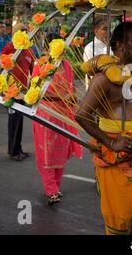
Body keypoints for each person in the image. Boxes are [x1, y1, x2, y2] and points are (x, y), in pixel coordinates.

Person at [76, 22, 132, 235]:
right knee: (120, 217)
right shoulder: (104, 78)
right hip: (119, 155)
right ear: (119, 45)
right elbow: (81, 115)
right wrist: (111, 143)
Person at [33, 33, 82, 205]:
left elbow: (72, 88)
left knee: (60, 150)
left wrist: (72, 98)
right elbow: (34, 88)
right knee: (46, 152)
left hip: (63, 113)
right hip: (46, 113)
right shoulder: (41, 64)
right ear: (48, 48)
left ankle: (56, 186)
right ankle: (51, 189)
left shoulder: (66, 65)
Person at [1, 23, 34, 161]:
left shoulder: (28, 50)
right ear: (15, 33)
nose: (24, 34)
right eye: (21, 31)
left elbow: (32, 70)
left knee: (19, 120)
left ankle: (17, 148)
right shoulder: (10, 47)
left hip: (23, 92)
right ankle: (13, 152)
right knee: (14, 121)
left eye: (26, 32)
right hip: (12, 92)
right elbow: (3, 62)